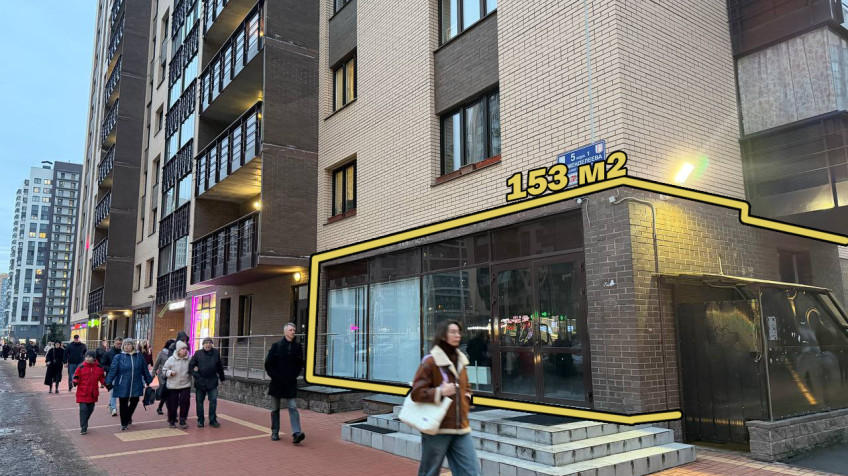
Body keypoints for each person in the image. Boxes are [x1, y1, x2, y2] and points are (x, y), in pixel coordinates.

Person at [411, 320, 479, 476]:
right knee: (430, 472)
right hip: (437, 428)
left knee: (472, 472)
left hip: (461, 427)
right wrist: (440, 392)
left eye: (459, 332)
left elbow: (467, 387)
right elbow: (416, 393)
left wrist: (466, 400)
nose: (457, 335)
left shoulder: (461, 360)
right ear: (442, 336)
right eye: (453, 332)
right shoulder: (431, 361)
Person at [264, 322, 305, 443]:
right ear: (285, 332)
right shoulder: (276, 346)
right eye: (291, 330)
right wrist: (275, 376)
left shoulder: (297, 346)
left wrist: (294, 375)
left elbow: (299, 364)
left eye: (294, 330)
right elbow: (268, 363)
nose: (293, 332)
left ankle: (296, 433)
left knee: (293, 406)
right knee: (275, 408)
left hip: (290, 382)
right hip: (277, 382)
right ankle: (275, 431)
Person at [105, 338, 153, 431]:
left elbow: (144, 370)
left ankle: (128, 415)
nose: (126, 346)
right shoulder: (118, 357)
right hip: (122, 383)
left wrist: (148, 380)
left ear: (133, 346)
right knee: (123, 403)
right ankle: (124, 423)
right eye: (125, 344)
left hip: (136, 383)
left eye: (129, 344)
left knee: (135, 400)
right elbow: (113, 370)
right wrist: (108, 381)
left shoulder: (139, 357)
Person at [189, 337, 226, 428]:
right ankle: (200, 420)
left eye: (210, 343)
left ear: (212, 344)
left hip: (212, 381)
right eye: (206, 343)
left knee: (213, 400)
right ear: (203, 344)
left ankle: (212, 420)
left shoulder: (216, 353)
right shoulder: (198, 354)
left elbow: (220, 367)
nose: (208, 344)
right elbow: (191, 366)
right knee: (199, 402)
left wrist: (222, 378)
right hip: (200, 381)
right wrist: (196, 375)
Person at [73, 350, 106, 435]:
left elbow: (102, 378)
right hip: (82, 392)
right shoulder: (81, 367)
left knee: (91, 409)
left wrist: (107, 384)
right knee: (83, 409)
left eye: (89, 357)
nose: (87, 359)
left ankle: (85, 421)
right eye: (86, 357)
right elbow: (76, 376)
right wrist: (75, 381)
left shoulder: (99, 368)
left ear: (94, 358)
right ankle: (83, 427)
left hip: (92, 393)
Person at [162, 340, 192, 429]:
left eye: (186, 348)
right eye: (183, 348)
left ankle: (182, 419)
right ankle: (172, 420)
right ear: (178, 350)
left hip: (185, 384)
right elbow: (164, 370)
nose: (185, 350)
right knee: (172, 403)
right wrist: (170, 372)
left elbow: (193, 367)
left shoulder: (189, 359)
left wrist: (195, 369)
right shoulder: (171, 359)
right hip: (173, 385)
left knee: (185, 402)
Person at [100, 338, 123, 416]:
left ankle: (110, 404)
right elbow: (102, 364)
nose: (119, 345)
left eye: (120, 344)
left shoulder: (124, 353)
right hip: (112, 375)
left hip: (122, 375)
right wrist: (111, 369)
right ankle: (114, 408)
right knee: (113, 391)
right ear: (114, 343)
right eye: (118, 344)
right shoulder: (108, 352)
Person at [152, 339, 175, 415]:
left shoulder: (175, 354)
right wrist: (152, 375)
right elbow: (156, 365)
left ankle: (159, 407)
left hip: (171, 375)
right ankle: (170, 411)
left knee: (167, 393)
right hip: (162, 375)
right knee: (165, 391)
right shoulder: (161, 354)